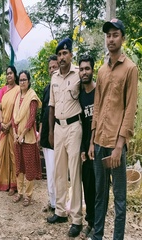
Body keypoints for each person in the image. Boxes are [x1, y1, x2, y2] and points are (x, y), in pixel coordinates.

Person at [88, 19, 138, 240]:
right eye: (108, 35)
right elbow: (97, 106)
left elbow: (129, 109)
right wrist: (92, 141)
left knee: (119, 199)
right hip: (99, 143)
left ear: (122, 38)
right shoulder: (101, 71)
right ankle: (97, 235)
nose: (111, 39)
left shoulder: (130, 69)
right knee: (100, 195)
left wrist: (119, 146)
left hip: (116, 146)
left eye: (115, 35)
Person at [47, 38, 83, 238]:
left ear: (71, 55)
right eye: (59, 54)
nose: (62, 57)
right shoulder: (54, 78)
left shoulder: (78, 74)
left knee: (74, 172)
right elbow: (51, 106)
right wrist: (51, 131)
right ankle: (60, 211)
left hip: (74, 127)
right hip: (58, 129)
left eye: (65, 54)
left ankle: (77, 218)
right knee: (59, 171)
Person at [12, 70, 42, 206]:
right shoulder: (18, 96)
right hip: (17, 137)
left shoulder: (32, 97)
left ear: (29, 81)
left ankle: (28, 195)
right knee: (19, 165)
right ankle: (19, 192)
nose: (22, 82)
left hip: (28, 138)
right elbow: (14, 117)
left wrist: (23, 134)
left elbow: (31, 118)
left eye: (24, 80)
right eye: (21, 80)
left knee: (29, 167)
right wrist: (14, 132)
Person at [0, 66, 20, 194]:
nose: (9, 76)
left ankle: (14, 185)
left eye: (11, 73)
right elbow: (0, 108)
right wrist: (2, 122)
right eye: (7, 73)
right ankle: (4, 181)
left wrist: (9, 124)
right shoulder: (3, 90)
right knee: (2, 154)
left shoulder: (19, 90)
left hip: (13, 128)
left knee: (13, 155)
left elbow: (18, 111)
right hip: (3, 127)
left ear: (15, 75)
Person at [78, 54, 96, 239]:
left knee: (100, 189)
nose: (84, 72)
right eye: (81, 69)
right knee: (88, 186)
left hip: (100, 146)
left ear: (93, 69)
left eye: (87, 69)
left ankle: (97, 226)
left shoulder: (99, 92)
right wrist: (83, 148)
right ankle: (90, 221)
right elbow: (82, 125)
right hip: (85, 150)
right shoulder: (80, 95)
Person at [38, 54, 59, 213]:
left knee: (56, 172)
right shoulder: (47, 89)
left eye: (55, 67)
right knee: (49, 171)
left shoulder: (62, 88)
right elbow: (43, 114)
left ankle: (58, 204)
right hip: (45, 135)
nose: (52, 70)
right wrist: (40, 134)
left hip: (58, 135)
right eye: (50, 67)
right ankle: (52, 202)